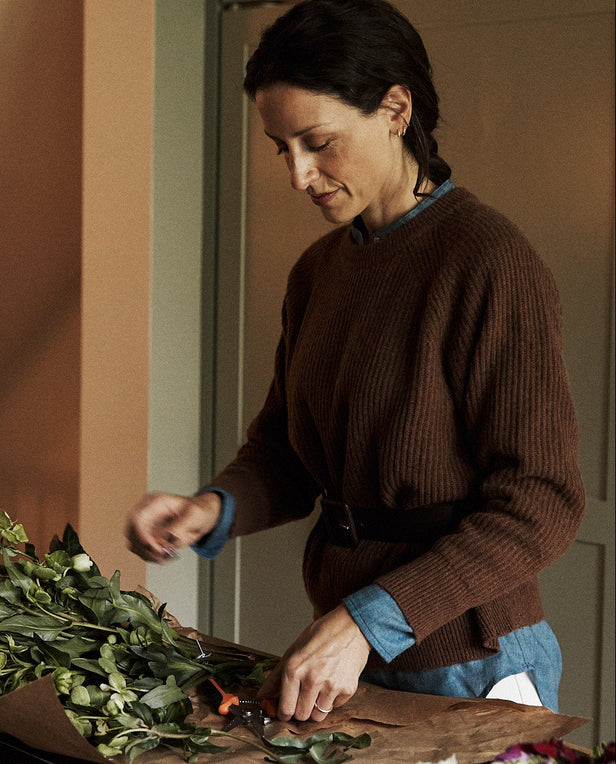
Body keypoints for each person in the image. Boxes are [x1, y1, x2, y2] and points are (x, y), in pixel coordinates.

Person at [126, 0, 584, 725]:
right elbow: (283, 454)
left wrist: (366, 620)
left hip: (472, 663)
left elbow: (542, 504)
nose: (298, 174)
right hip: (354, 658)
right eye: (282, 147)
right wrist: (209, 508)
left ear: (396, 109)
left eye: (319, 142)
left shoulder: (488, 260)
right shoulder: (318, 271)